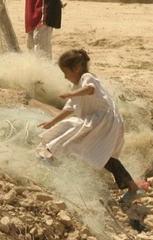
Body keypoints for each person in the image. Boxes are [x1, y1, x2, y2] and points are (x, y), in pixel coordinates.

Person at [39, 49, 143, 201]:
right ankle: (132, 187)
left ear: (76, 69)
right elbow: (69, 108)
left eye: (65, 72)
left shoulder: (87, 78)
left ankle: (53, 158)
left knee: (72, 132)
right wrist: (52, 122)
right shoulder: (77, 88)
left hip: (103, 121)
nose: (65, 77)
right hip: (102, 122)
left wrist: (71, 94)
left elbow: (90, 89)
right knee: (104, 155)